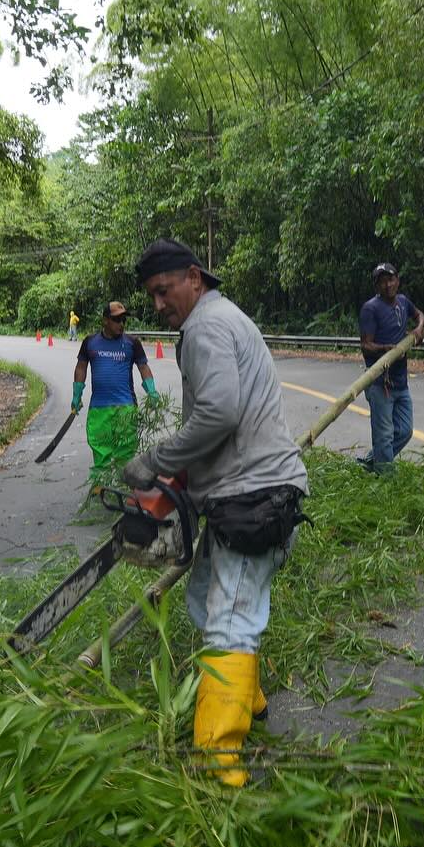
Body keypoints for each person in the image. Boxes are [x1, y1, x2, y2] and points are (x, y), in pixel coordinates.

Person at [121, 238, 308, 787]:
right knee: (207, 595)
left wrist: (156, 459)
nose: (158, 304)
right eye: (151, 295)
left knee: (229, 618)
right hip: (240, 494)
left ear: (194, 278)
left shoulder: (205, 326)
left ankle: (217, 759)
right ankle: (245, 698)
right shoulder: (220, 320)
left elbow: (219, 413)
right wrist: (182, 478)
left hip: (254, 499)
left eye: (163, 291)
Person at [72, 301, 159, 476]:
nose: (121, 324)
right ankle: (99, 495)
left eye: (123, 320)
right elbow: (81, 367)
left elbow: (143, 367)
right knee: (101, 456)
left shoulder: (132, 343)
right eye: (116, 319)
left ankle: (123, 494)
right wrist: (77, 394)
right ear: (105, 320)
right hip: (99, 410)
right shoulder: (90, 342)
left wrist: (152, 391)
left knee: (125, 458)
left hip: (125, 409)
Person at [357, 262, 424, 473]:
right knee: (384, 434)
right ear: (376, 286)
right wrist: (385, 349)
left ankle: (372, 462)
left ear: (397, 280)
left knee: (405, 431)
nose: (388, 285)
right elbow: (365, 345)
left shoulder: (403, 302)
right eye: (382, 281)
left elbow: (420, 315)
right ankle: (386, 482)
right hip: (379, 383)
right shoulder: (370, 308)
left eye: (391, 279)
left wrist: (419, 329)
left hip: (400, 381)